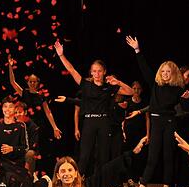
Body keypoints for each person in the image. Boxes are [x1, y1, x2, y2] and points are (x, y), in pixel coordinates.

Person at [54, 41, 133, 176]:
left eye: (99, 71)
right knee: (85, 156)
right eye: (94, 71)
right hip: (89, 122)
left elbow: (131, 92)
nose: (96, 74)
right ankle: (77, 183)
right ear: (91, 72)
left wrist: (118, 82)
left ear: (104, 72)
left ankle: (98, 185)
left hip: (104, 123)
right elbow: (71, 70)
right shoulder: (85, 85)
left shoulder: (109, 87)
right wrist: (61, 55)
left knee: (102, 157)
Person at [124, 35, 185, 187]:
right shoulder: (155, 84)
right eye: (163, 71)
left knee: (168, 156)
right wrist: (137, 50)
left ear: (173, 74)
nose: (165, 74)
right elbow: (144, 68)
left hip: (170, 123)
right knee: (152, 156)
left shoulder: (178, 89)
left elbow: (187, 104)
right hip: (156, 122)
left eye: (168, 72)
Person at [8, 57, 63, 172]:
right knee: (23, 152)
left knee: (35, 154)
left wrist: (55, 127)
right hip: (23, 125)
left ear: (38, 83)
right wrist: (10, 66)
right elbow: (12, 82)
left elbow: (48, 112)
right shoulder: (24, 92)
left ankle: (33, 175)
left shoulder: (41, 96)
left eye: (35, 81)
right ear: (28, 82)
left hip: (37, 128)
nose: (32, 83)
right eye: (30, 81)